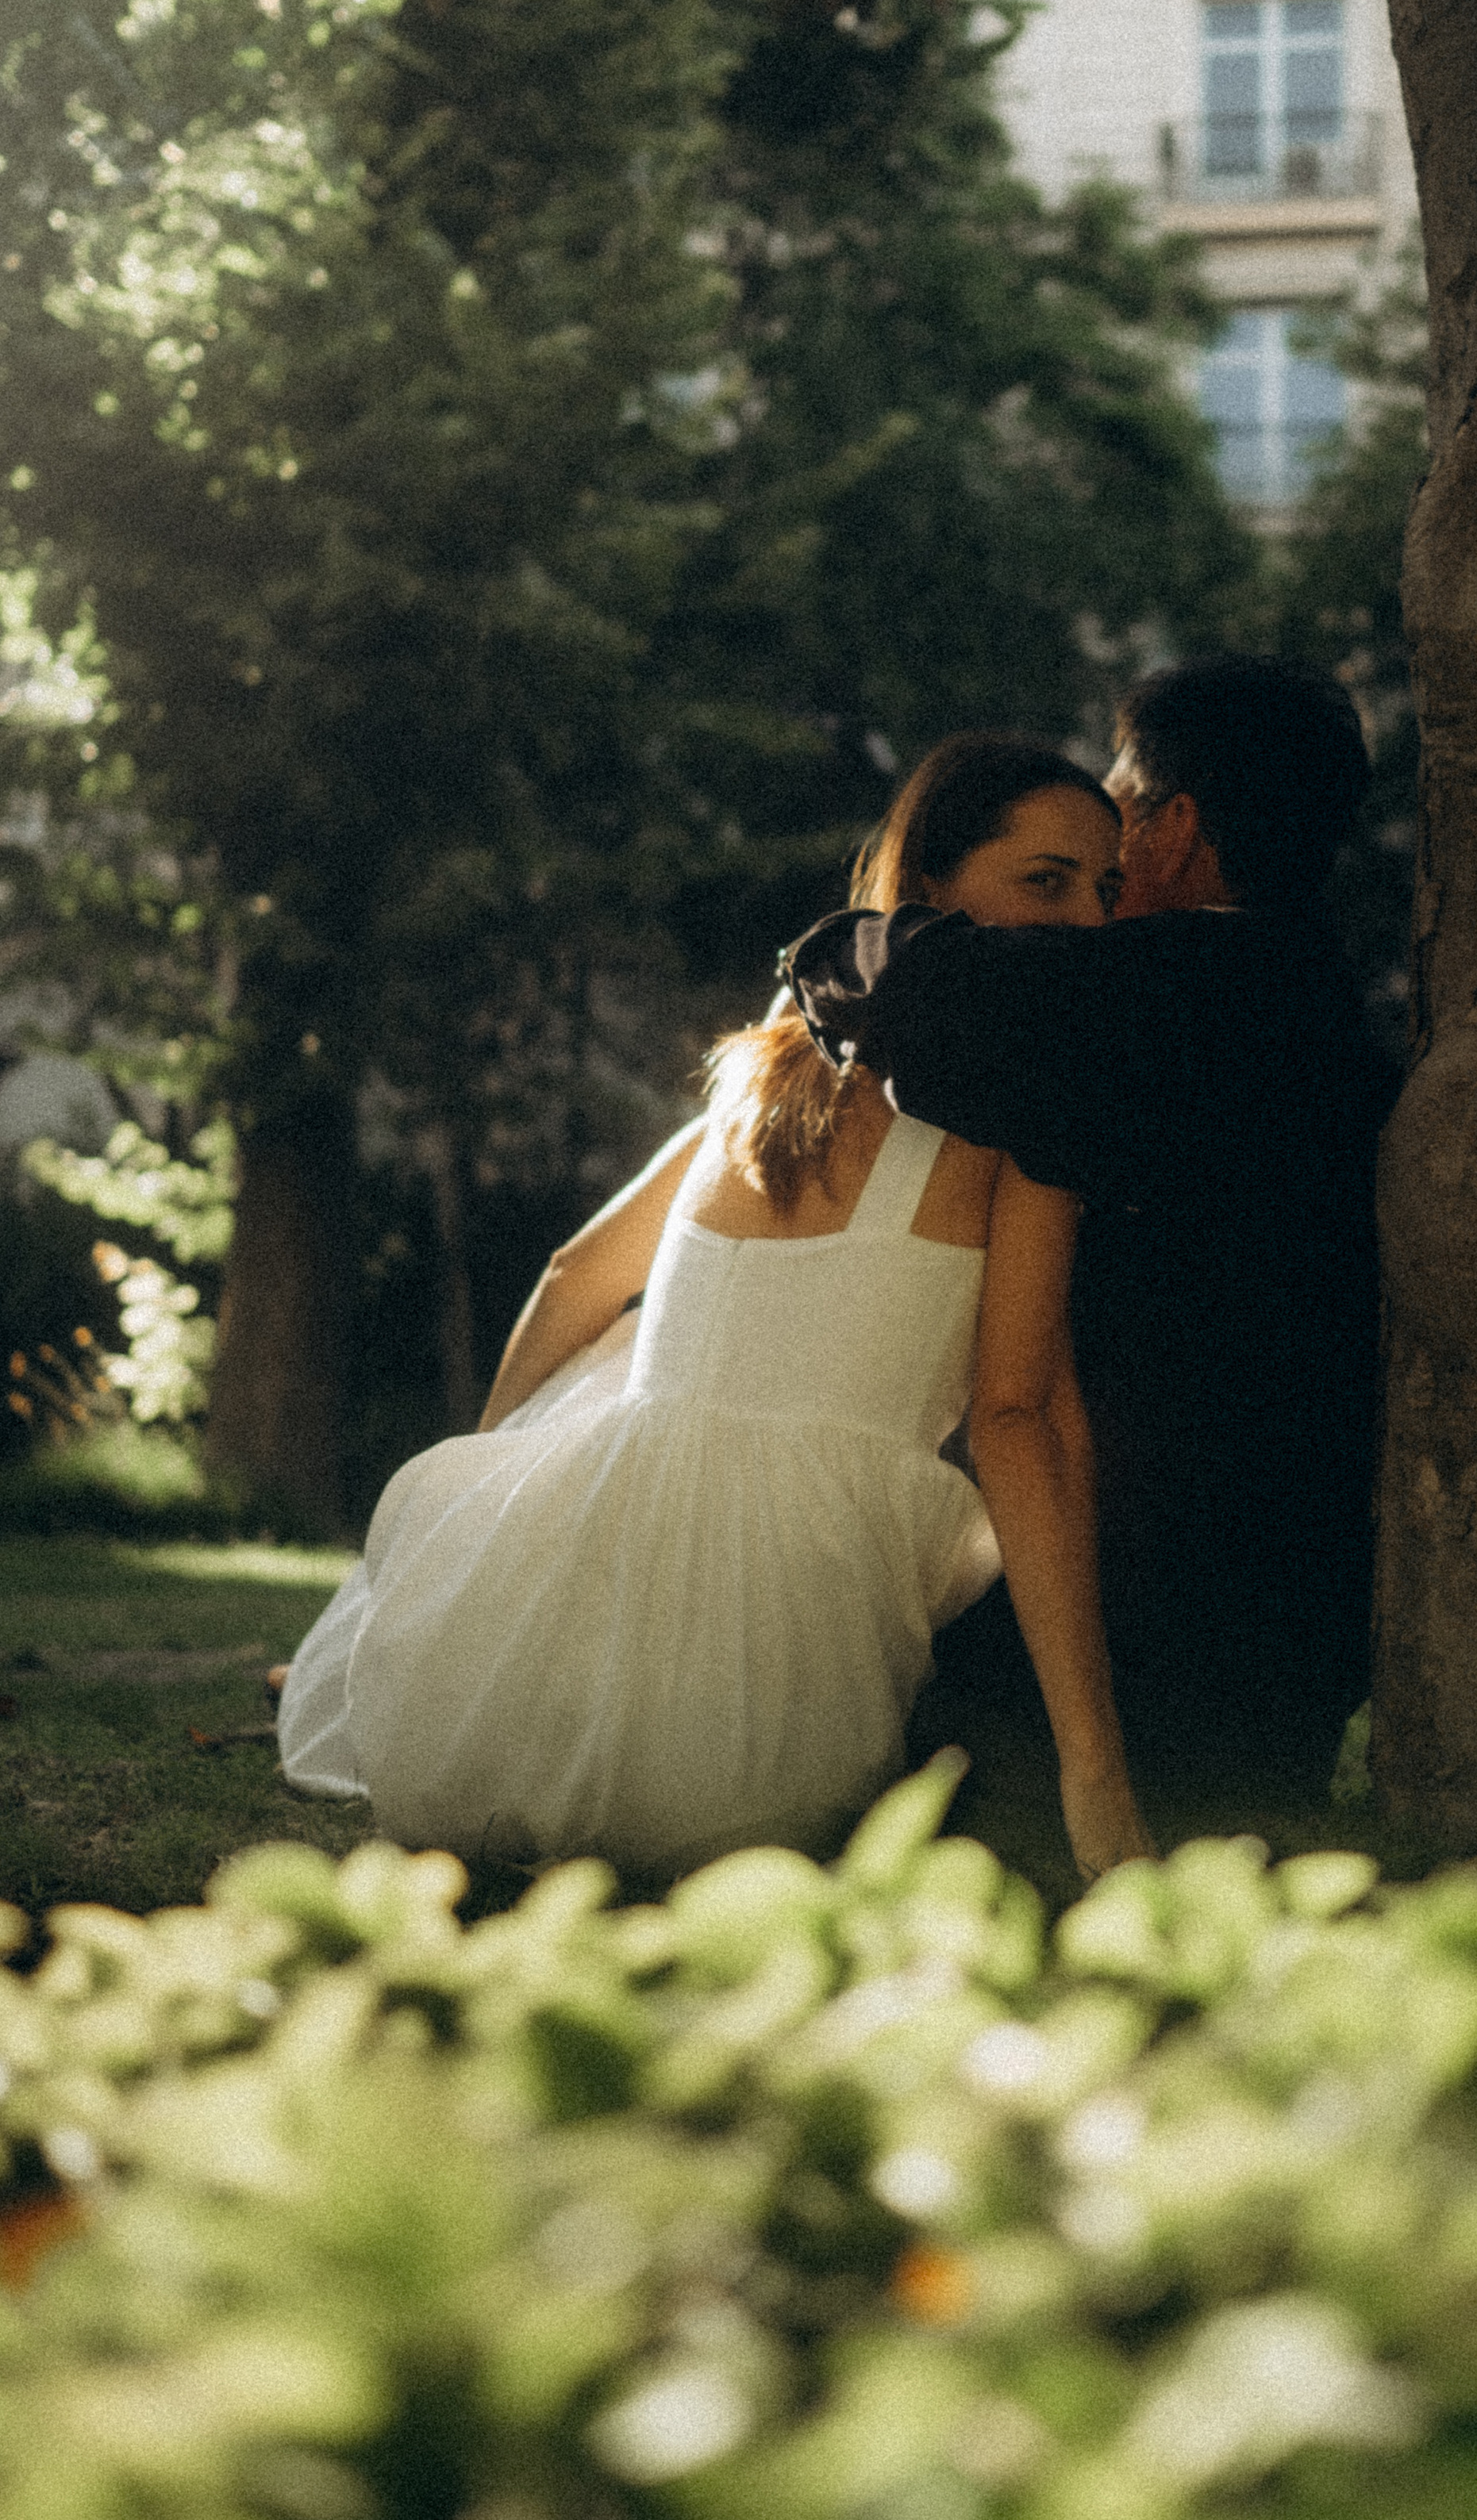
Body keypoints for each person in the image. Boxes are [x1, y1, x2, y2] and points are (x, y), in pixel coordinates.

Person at [277, 736, 1153, 1884]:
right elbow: (1017, 1417)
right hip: (763, 1741)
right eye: (1048, 882)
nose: (1090, 923)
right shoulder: (1025, 1107)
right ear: (933, 887)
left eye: (1108, 891)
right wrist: (1096, 1769)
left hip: (495, 1721)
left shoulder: (767, 1066)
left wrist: (475, 1548)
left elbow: (574, 1275)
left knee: (628, 1357)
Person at [786, 655, 1394, 1841]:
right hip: (1297, 1611)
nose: (1098, 890)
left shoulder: (1172, 989)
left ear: (1177, 826)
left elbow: (879, 974)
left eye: (1118, 818)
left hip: (1149, 1607)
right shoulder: (1324, 1001)